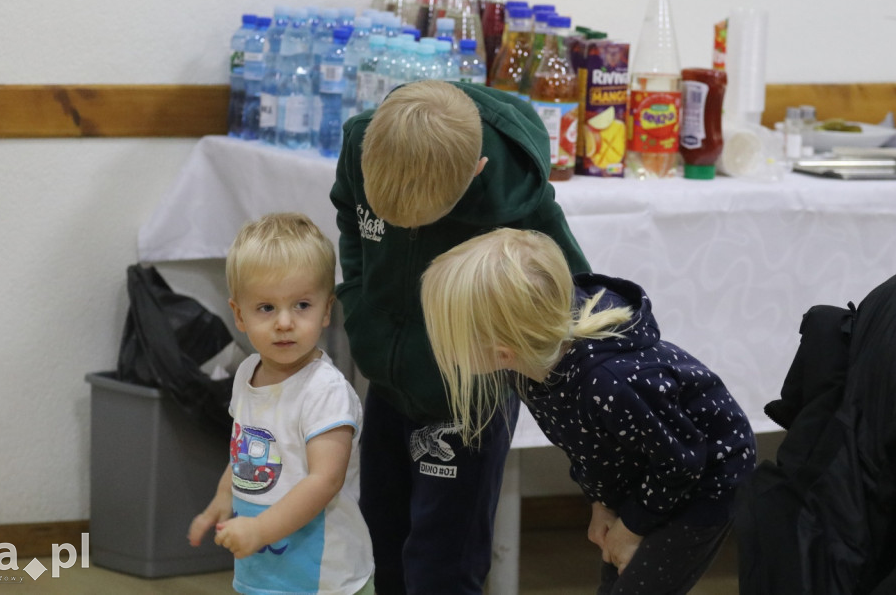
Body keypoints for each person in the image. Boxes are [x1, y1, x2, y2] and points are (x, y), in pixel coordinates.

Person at [330, 79, 589, 594]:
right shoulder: (365, 143)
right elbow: (350, 225)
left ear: (475, 173)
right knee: (381, 533)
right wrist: (360, 309)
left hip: (472, 398)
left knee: (443, 562)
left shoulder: (512, 187)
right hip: (387, 382)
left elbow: (572, 289)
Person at [419, 228, 757, 595]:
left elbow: (682, 462)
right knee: (616, 578)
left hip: (705, 479)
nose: (442, 348)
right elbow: (591, 448)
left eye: (449, 338)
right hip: (647, 473)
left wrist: (631, 527)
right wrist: (602, 505)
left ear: (502, 352)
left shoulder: (611, 383)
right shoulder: (532, 369)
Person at [188, 212, 374, 595]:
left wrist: (260, 529)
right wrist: (223, 497)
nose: (285, 322)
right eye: (266, 308)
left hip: (323, 578)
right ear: (239, 314)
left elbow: (326, 480)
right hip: (262, 573)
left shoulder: (324, 391)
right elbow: (243, 452)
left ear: (327, 310)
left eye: (302, 305)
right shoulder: (247, 373)